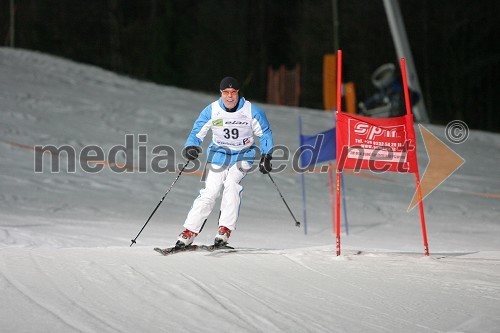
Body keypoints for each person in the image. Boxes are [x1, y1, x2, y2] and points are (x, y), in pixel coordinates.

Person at [175, 76, 274, 248]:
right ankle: (189, 232)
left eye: (233, 92)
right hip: (218, 155)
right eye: (226, 92)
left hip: (243, 155)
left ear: (238, 93)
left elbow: (264, 133)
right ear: (221, 93)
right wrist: (191, 146)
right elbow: (198, 130)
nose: (229, 96)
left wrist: (267, 155)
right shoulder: (211, 110)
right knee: (210, 192)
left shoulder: (252, 111)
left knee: (231, 184)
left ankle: (224, 229)